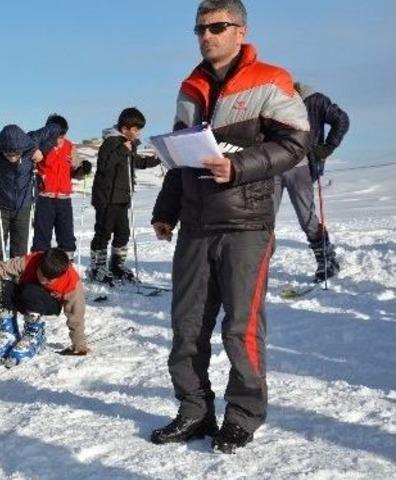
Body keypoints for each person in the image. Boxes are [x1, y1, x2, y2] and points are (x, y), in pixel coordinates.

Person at [149, 0, 310, 453]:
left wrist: (238, 168)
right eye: (200, 28)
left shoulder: (270, 80)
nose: (207, 35)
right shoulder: (190, 86)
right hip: (196, 224)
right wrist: (166, 210)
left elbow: (298, 144)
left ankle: (243, 414)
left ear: (240, 30)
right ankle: (194, 410)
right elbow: (180, 155)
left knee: (240, 328)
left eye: (217, 26)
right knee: (186, 326)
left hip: (246, 225)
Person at [274, 82, 349, 282]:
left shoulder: (313, 100)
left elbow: (341, 119)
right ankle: (256, 267)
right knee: (262, 219)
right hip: (272, 167)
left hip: (301, 167)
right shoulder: (268, 100)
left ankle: (327, 261)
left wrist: (327, 147)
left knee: (306, 218)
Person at [0, 248, 89, 364]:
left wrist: (79, 344)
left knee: (31, 291)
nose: (44, 281)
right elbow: (4, 267)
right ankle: (9, 334)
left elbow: (76, 315)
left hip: (48, 303)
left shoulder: (71, 281)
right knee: (1, 285)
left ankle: (35, 336)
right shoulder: (32, 260)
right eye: (42, 274)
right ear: (39, 265)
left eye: (49, 280)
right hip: (25, 295)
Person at [0, 124, 60, 262]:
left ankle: (17, 278)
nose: (12, 157)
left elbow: (55, 129)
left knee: (20, 248)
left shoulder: (32, 141)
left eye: (16, 154)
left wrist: (42, 150)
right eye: (8, 154)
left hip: (23, 205)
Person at [89, 107, 161, 284]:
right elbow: (105, 166)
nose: (138, 133)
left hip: (122, 196)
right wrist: (122, 150)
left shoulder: (129, 145)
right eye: (135, 130)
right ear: (124, 129)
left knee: (123, 232)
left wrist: (157, 159)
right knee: (103, 231)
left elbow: (137, 162)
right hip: (106, 196)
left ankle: (117, 265)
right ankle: (97, 267)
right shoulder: (111, 143)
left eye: (139, 130)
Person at [31, 114, 92, 256]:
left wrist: (83, 169)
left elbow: (76, 171)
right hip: (44, 197)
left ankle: (66, 267)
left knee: (66, 236)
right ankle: (38, 266)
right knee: (42, 237)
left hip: (64, 199)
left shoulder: (70, 147)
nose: (60, 140)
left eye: (62, 136)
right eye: (56, 136)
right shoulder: (41, 147)